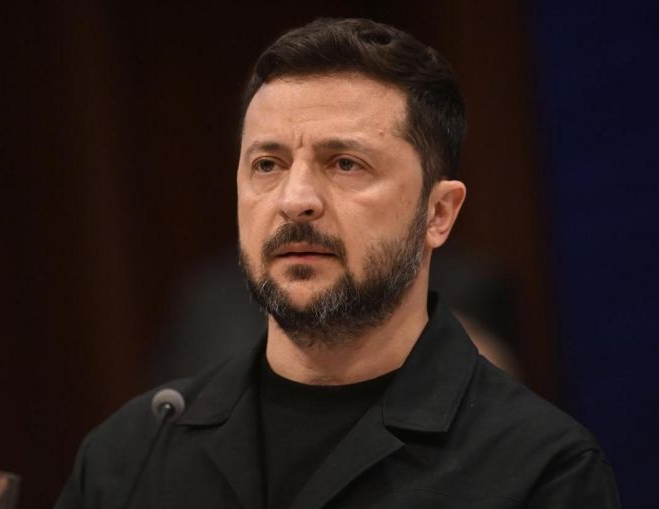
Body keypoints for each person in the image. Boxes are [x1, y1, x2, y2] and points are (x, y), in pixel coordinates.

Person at [55, 18, 620, 508]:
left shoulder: (538, 467)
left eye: (346, 163)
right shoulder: (130, 455)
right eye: (268, 164)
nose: (296, 199)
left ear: (438, 213)